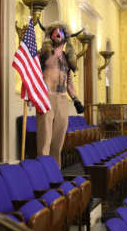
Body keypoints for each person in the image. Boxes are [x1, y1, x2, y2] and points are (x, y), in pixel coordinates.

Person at [37, 21, 84, 168]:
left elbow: (69, 81)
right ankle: (43, 172)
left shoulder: (67, 59)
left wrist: (75, 99)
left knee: (58, 141)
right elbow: (34, 73)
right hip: (46, 98)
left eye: (61, 32)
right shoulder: (43, 54)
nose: (58, 33)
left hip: (63, 100)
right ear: (50, 35)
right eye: (55, 32)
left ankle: (54, 172)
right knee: (45, 140)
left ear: (66, 36)